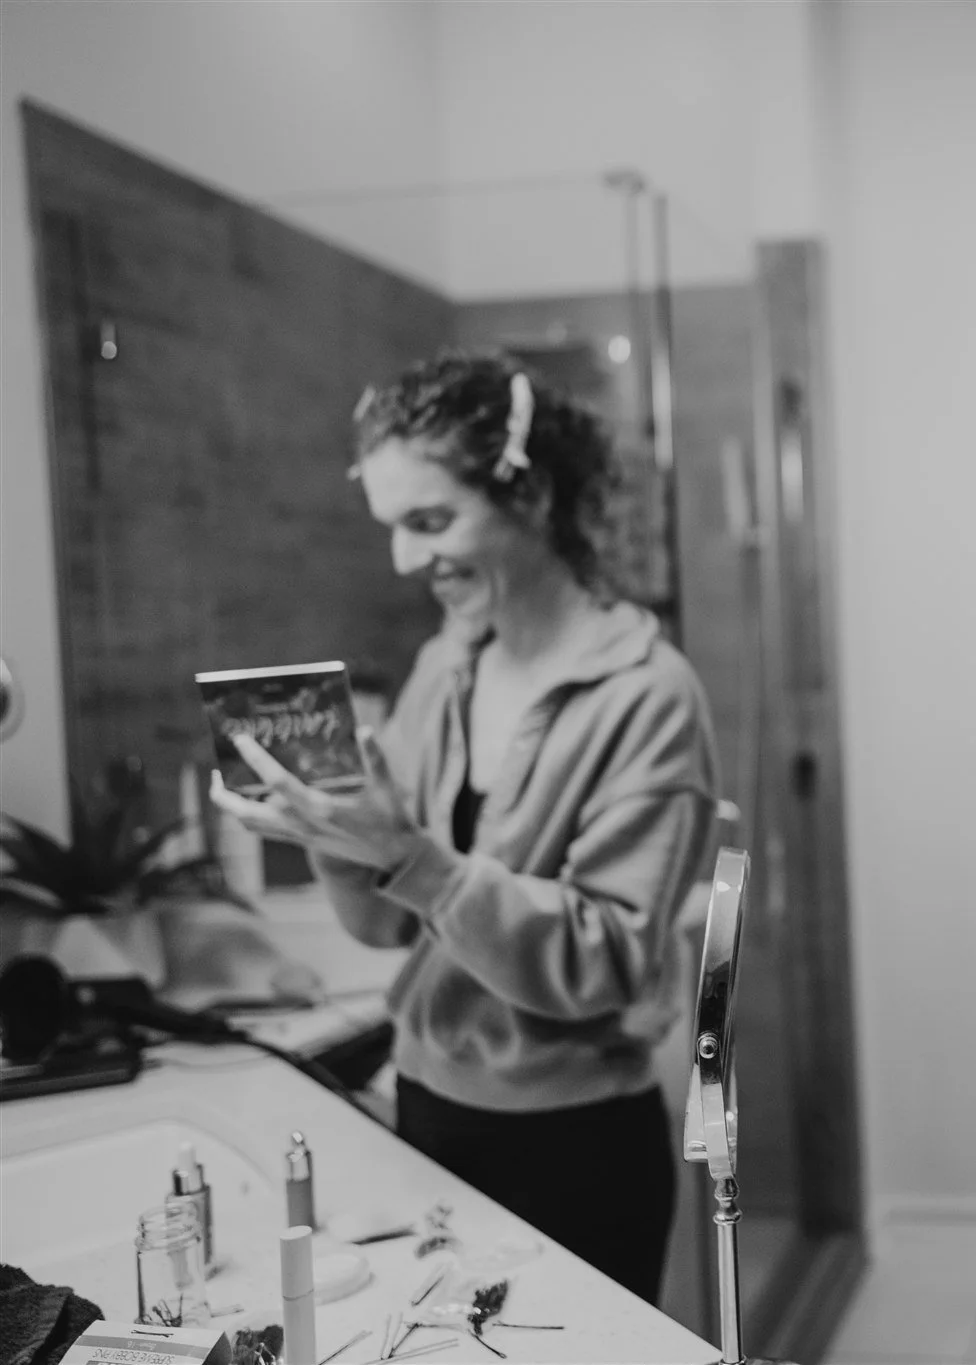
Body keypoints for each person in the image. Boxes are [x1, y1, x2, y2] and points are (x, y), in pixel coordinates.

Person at [214, 350, 720, 1303]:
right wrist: (325, 826)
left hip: (576, 1143)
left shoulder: (648, 696)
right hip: (430, 1107)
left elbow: (603, 961)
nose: (405, 558)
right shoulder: (446, 666)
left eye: (431, 520)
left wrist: (410, 854)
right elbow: (385, 923)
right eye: (394, 528)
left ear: (529, 498)